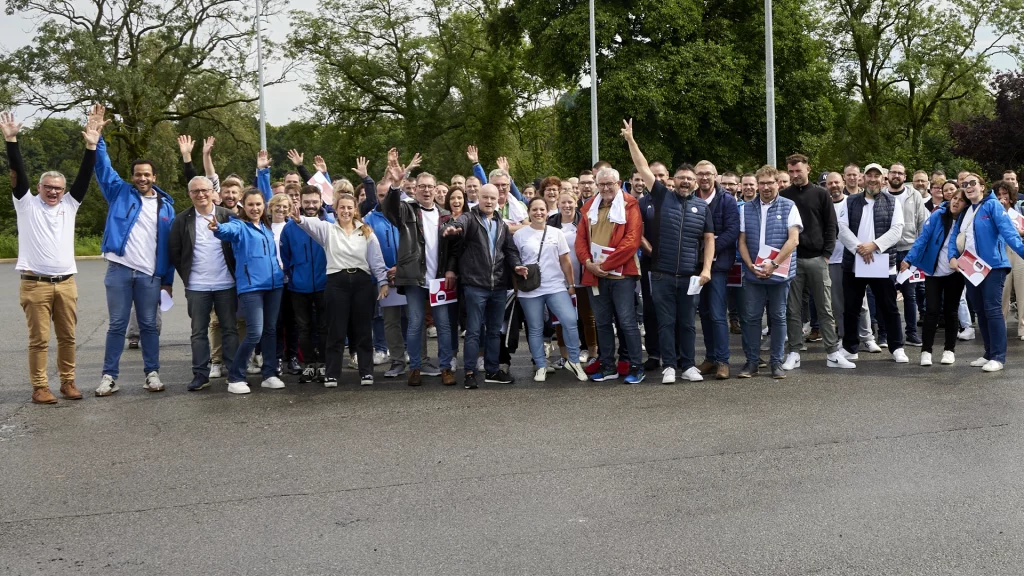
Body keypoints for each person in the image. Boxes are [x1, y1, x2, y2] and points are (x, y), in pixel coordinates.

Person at [4, 109, 99, 404]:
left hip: (67, 283)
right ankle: (40, 387)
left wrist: (92, 146)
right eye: (48, 187)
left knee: (68, 338)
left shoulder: (70, 205)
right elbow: (19, 174)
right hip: (35, 284)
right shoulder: (26, 204)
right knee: (39, 340)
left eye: (58, 188)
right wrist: (12, 141)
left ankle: (68, 382)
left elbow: (84, 177)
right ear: (40, 188)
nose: (54, 192)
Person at [91, 105, 177, 397]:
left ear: (154, 176)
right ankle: (109, 376)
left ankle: (152, 373)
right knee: (116, 325)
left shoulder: (166, 206)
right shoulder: (119, 192)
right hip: (119, 270)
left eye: (147, 174)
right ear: (132, 176)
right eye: (138, 174)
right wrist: (98, 136)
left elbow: (168, 247)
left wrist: (167, 280)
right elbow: (102, 167)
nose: (142, 178)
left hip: (150, 276)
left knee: (150, 325)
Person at [621, 119, 711, 384]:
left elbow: (709, 240)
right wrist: (630, 140)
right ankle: (669, 366)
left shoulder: (703, 207)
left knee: (686, 323)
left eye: (690, 179)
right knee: (665, 322)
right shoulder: (661, 196)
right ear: (674, 180)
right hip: (661, 273)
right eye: (681, 178)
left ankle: (688, 365)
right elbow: (642, 167)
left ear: (696, 183)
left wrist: (705, 269)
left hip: (689, 276)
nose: (685, 182)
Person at [293, 193, 389, 385]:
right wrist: (299, 219)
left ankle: (366, 372)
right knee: (336, 330)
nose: (346, 211)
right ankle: (332, 373)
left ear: (355, 210)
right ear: (335, 209)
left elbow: (376, 260)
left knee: (362, 329)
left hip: (362, 282)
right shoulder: (328, 229)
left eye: (349, 207)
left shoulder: (366, 231)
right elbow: (309, 224)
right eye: (342, 207)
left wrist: (383, 282)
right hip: (337, 283)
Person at [382, 151, 458, 386]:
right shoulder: (406, 210)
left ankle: (446, 367)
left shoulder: (445, 215)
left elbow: (454, 248)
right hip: (414, 278)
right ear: (415, 189)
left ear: (436, 190)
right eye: (422, 186)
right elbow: (389, 210)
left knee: (443, 325)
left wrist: (450, 269)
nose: (426, 190)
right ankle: (414, 367)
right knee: (415, 324)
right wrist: (395, 185)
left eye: (430, 187)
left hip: (439, 280)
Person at [441, 184, 525, 388]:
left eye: (492, 198)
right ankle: (469, 372)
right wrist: (451, 228)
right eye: (485, 197)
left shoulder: (502, 224)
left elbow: (510, 250)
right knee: (473, 331)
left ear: (498, 200)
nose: (489, 201)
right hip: (475, 285)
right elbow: (456, 223)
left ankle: (493, 370)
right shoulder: (469, 218)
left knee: (495, 331)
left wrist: (516, 266)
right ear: (478, 197)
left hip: (498, 286)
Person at [779, 154, 854, 370]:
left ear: (808, 169)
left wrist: (827, 254)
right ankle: (794, 351)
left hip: (817, 258)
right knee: (792, 309)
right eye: (791, 171)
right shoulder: (784, 195)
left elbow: (831, 226)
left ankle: (832, 352)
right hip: (792, 259)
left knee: (824, 308)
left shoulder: (821, 194)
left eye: (798, 171)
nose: (794, 175)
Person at [209, 187, 286, 393]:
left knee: (270, 331)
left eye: (258, 204)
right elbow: (227, 231)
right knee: (255, 332)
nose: (255, 208)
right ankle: (236, 376)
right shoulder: (239, 226)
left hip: (274, 285)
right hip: (251, 287)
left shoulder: (266, 227)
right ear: (244, 205)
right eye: (251, 204)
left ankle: (269, 374)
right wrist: (218, 228)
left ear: (264, 206)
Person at [168, 176, 239, 392]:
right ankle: (200, 374)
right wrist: (188, 277)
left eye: (204, 190)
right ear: (189, 194)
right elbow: (175, 251)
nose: (200, 194)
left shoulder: (228, 216)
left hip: (226, 283)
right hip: (197, 286)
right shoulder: (182, 220)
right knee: (198, 331)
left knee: (229, 329)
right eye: (195, 191)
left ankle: (234, 372)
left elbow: (239, 245)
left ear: (212, 192)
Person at [949, 174, 1024, 372]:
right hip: (970, 268)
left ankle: (998, 357)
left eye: (973, 183)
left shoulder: (992, 205)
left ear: (982, 187)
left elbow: (1009, 233)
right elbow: (954, 238)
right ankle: (989, 353)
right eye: (964, 185)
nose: (968, 187)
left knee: (992, 310)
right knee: (980, 311)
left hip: (993, 267)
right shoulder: (966, 211)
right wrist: (952, 257)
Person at [836, 163, 907, 364]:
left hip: (883, 262)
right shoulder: (849, 202)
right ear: (862, 178)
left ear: (883, 179)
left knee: (889, 307)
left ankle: (897, 347)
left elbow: (896, 230)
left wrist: (874, 246)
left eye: (877, 176)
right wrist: (860, 248)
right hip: (854, 261)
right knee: (851, 306)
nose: (873, 179)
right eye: (869, 175)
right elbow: (841, 228)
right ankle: (850, 348)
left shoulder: (892, 202)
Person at [736, 165, 802, 378]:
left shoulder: (789, 206)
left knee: (778, 317)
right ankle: (752, 362)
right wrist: (750, 266)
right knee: (752, 318)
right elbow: (742, 241)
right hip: (754, 273)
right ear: (756, 185)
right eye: (761, 183)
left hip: (779, 273)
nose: (765, 187)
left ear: (777, 184)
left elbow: (794, 240)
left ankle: (776, 363)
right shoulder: (746, 208)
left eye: (769, 183)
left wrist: (773, 264)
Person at [513, 197, 589, 382]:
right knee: (535, 328)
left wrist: (571, 285)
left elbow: (565, 261)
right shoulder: (520, 235)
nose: (538, 213)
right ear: (529, 212)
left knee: (570, 320)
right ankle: (540, 365)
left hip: (556, 286)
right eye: (534, 210)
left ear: (548, 212)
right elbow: (513, 261)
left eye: (542, 209)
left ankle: (574, 361)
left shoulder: (556, 233)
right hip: (530, 289)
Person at [901, 187, 967, 365]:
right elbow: (922, 239)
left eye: (960, 200)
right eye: (954, 198)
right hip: (933, 271)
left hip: (955, 272)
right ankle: (926, 351)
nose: (955, 202)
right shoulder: (938, 215)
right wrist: (909, 259)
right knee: (931, 311)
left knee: (951, 312)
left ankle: (949, 350)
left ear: (966, 204)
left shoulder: (966, 221)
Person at [280, 185, 332, 383]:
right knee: (304, 328)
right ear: (300, 202)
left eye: (314, 202)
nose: (311, 206)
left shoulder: (330, 223)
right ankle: (309, 364)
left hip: (324, 284)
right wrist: (292, 274)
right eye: (307, 202)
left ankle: (324, 363)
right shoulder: (290, 227)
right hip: (299, 286)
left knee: (324, 327)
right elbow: (286, 256)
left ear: (321, 201)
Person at [693, 160, 739, 380]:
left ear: (716, 176)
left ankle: (723, 361)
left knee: (718, 314)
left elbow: (732, 232)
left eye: (708, 174)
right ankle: (710, 358)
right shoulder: (689, 198)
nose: (704, 178)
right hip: (694, 266)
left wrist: (708, 252)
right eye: (700, 174)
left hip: (718, 267)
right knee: (704, 314)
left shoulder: (727, 201)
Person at [825, 172, 880, 353]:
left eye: (836, 182)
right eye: (829, 183)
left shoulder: (854, 201)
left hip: (857, 257)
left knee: (861, 302)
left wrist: (861, 249)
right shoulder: (823, 205)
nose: (833, 185)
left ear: (843, 183)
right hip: (832, 259)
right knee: (839, 303)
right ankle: (845, 336)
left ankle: (867, 337)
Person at [548, 189, 598, 366]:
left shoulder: (584, 221)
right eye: (564, 203)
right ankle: (565, 356)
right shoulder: (551, 223)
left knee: (587, 317)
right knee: (561, 319)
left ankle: (592, 353)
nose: (567, 206)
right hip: (559, 280)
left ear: (576, 203)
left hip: (583, 277)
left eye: (570, 202)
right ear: (558, 204)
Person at [888, 163, 928, 347]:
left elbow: (922, 224)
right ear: (888, 175)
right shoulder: (882, 195)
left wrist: (916, 254)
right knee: (886, 294)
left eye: (900, 173)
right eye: (893, 172)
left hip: (909, 251)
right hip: (886, 250)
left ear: (905, 177)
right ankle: (886, 334)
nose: (896, 175)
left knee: (910, 295)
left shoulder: (915, 195)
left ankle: (911, 333)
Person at [994, 180, 1024, 339]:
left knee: (1022, 291)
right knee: (1002, 292)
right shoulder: (993, 213)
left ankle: (1023, 327)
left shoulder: (1018, 215)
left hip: (1019, 253)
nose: (1002, 197)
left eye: (1005, 194)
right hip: (1001, 253)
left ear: (1011, 197)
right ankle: (1001, 325)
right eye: (999, 194)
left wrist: (1018, 232)